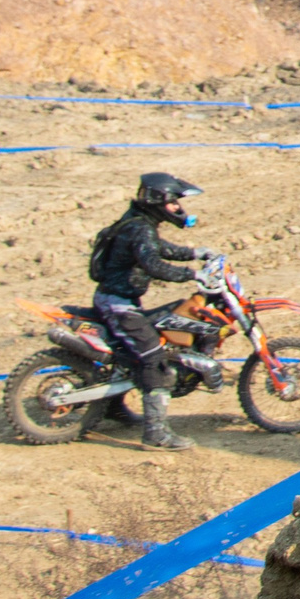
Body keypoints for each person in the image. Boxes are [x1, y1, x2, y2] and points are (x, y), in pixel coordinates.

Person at [87, 173, 211, 450]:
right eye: (173, 203)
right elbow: (152, 263)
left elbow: (157, 248)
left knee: (134, 353)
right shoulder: (139, 228)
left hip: (121, 300)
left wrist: (195, 253)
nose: (178, 208)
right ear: (158, 201)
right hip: (117, 305)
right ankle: (155, 434)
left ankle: (113, 407)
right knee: (154, 359)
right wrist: (192, 275)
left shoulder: (139, 223)